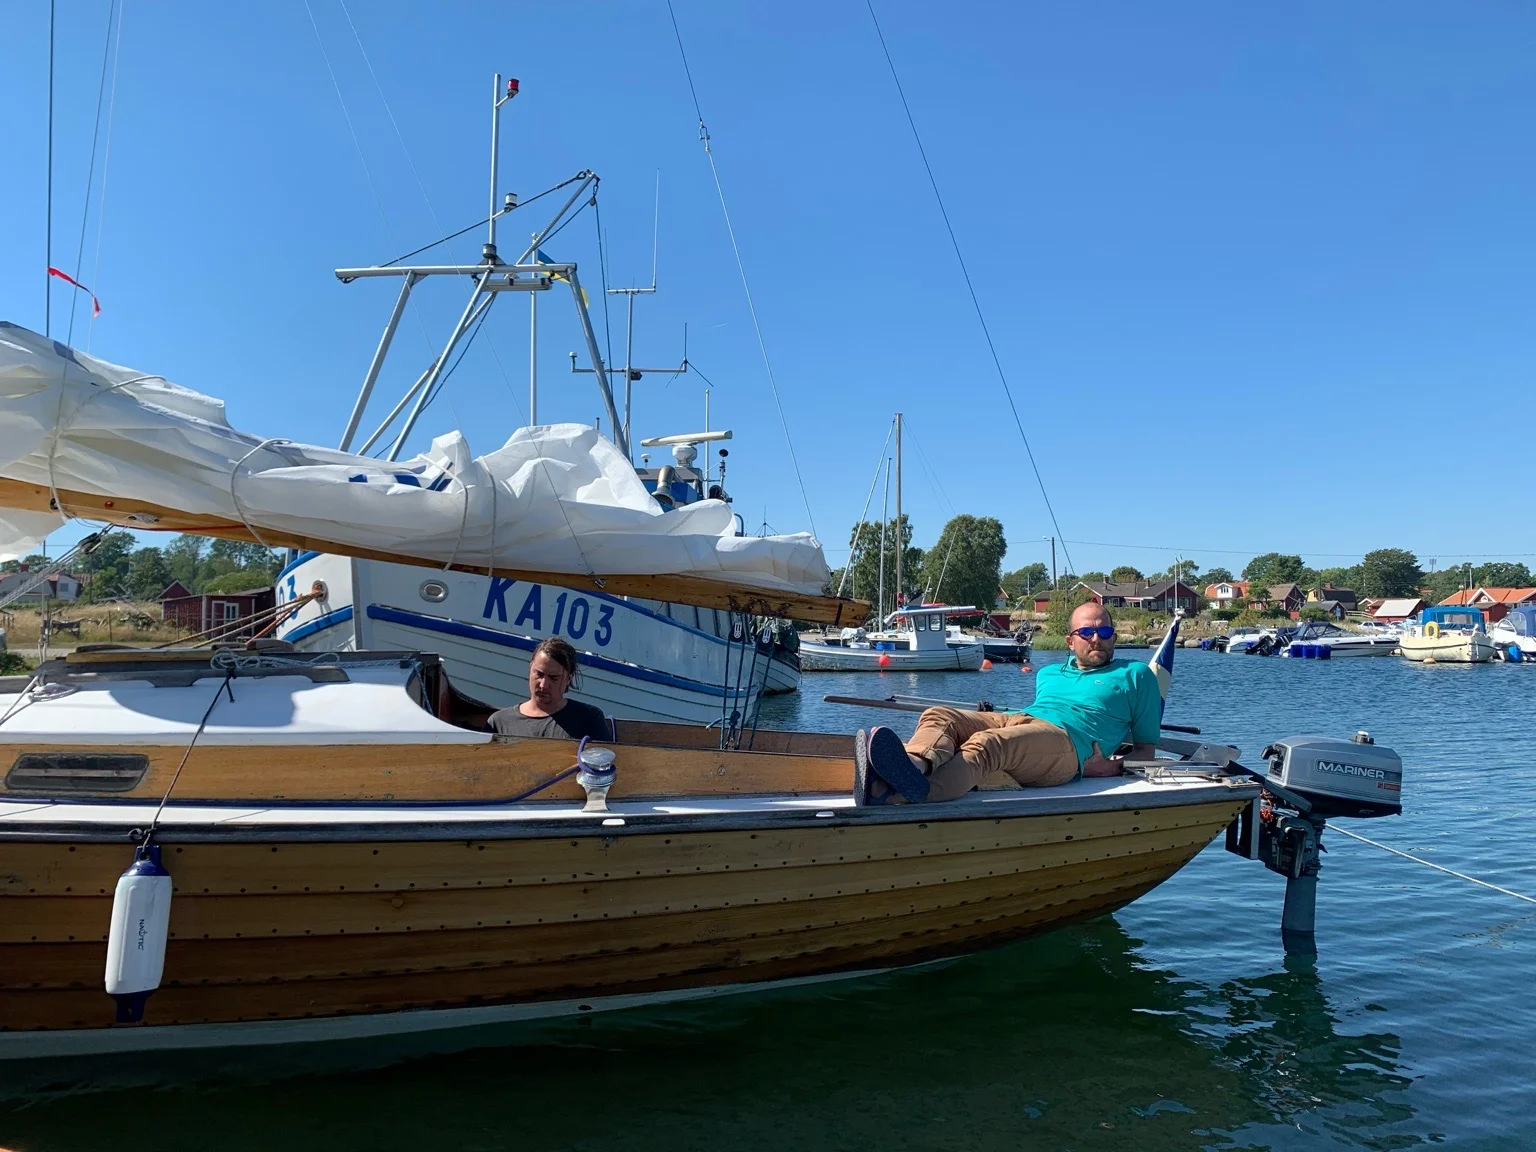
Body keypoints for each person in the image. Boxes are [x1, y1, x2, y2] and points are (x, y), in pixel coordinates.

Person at [855, 602, 1161, 804]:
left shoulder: (1135, 675)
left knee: (989, 744)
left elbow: (1147, 749)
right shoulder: (1050, 672)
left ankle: (903, 794)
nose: (1097, 638)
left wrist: (1110, 768)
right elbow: (1042, 712)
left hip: (1070, 744)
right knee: (940, 715)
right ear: (1070, 641)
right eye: (1087, 632)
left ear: (1113, 636)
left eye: (1104, 631)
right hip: (1024, 719)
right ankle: (913, 764)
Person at [487, 636, 611, 742]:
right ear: (530, 669)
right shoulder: (498, 722)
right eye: (539, 674)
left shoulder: (589, 719)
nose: (543, 685)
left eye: (554, 678)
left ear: (568, 679)